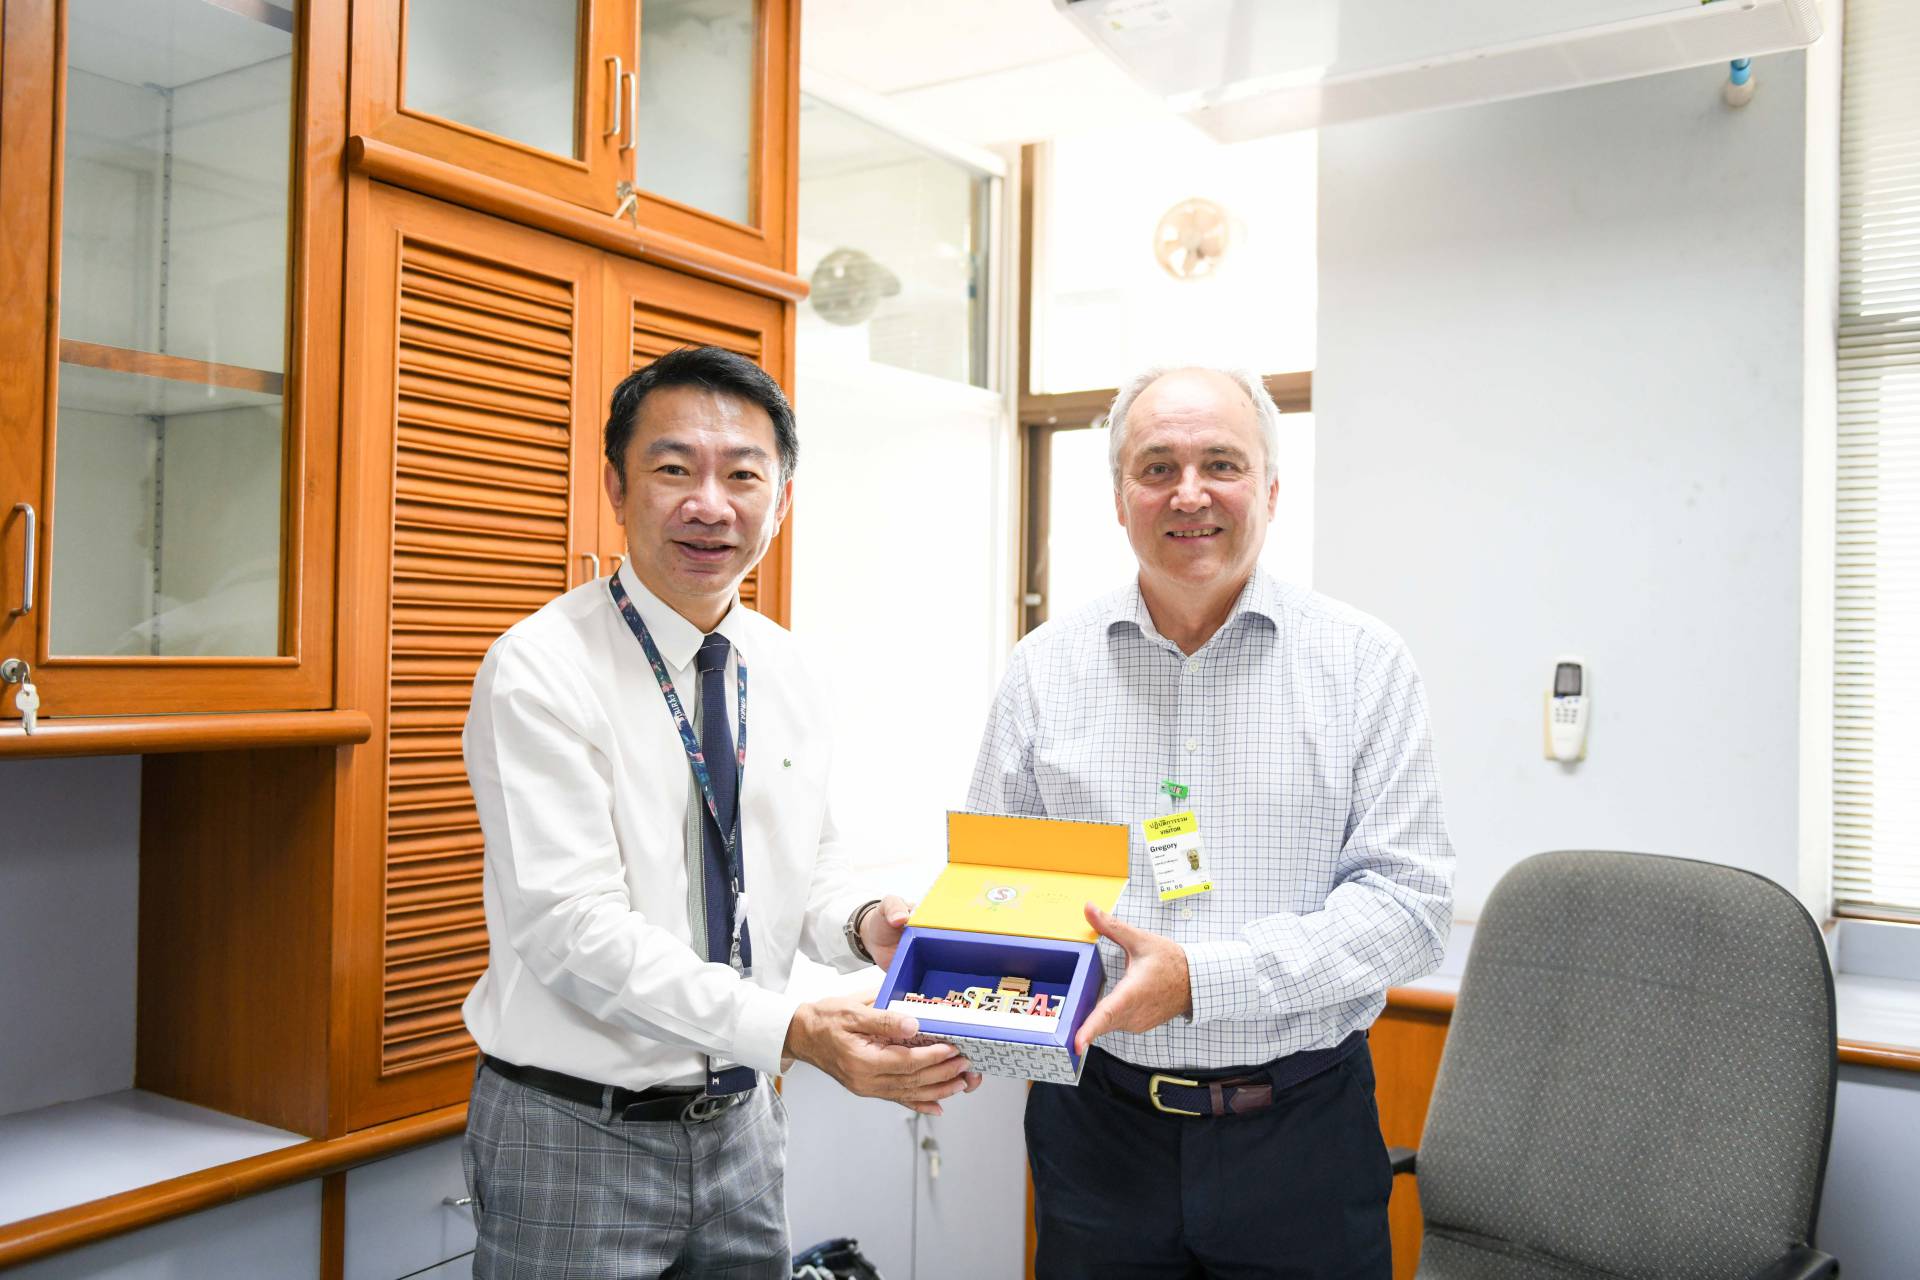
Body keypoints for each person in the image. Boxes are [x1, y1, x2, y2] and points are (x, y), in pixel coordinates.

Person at [461, 345, 976, 1279]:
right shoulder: (540, 669)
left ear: (782, 500)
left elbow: (804, 865)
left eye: (743, 475)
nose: (711, 504)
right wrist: (794, 1031)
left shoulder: (785, 667)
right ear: (616, 487)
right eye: (674, 469)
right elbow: (572, 929)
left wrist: (867, 924)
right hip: (575, 1130)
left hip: (744, 1124)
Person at [968, 366, 1454, 1278]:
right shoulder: (1043, 670)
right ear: (1119, 498)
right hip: (1097, 1134)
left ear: (1270, 490)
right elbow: (1004, 894)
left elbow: (1409, 908)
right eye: (1157, 468)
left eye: (1221, 464)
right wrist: (951, 1007)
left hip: (1302, 1136)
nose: (1188, 493)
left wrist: (1202, 979)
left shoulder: (1363, 664)